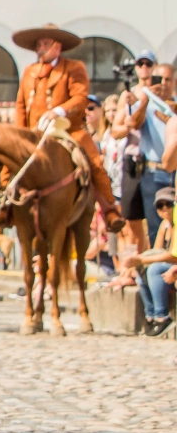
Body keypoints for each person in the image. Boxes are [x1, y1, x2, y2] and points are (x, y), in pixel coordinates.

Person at [12, 24, 126, 235]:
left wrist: (58, 111)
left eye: (45, 42)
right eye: (38, 43)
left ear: (58, 46)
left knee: (94, 162)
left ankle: (109, 210)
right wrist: (20, 133)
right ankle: (4, 206)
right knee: (8, 160)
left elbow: (80, 97)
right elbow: (20, 105)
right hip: (34, 132)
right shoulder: (30, 72)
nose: (40, 47)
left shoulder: (73, 67)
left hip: (68, 129)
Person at [124, 49, 172, 243]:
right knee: (155, 228)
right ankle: (156, 271)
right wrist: (146, 98)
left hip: (174, 173)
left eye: (168, 79)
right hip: (153, 172)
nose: (163, 83)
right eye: (160, 78)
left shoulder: (174, 106)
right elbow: (134, 124)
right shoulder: (144, 104)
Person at [126, 186, 177, 337]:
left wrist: (142, 258)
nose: (165, 209)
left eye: (169, 204)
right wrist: (140, 261)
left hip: (173, 264)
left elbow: (172, 256)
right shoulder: (165, 226)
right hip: (169, 263)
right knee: (142, 271)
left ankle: (162, 315)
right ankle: (150, 315)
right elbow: (158, 250)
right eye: (160, 206)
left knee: (154, 270)